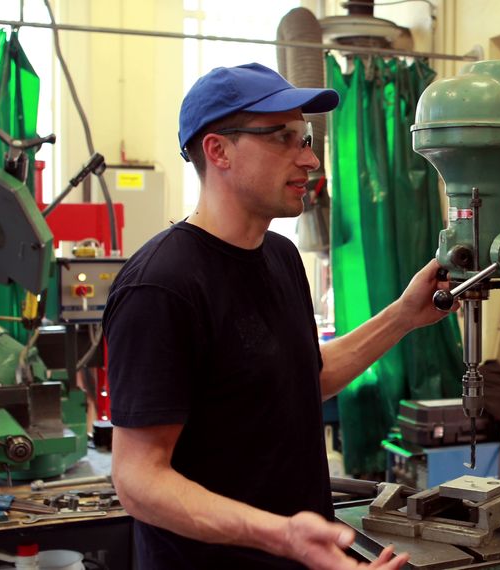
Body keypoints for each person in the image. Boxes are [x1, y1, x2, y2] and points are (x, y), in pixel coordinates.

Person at [103, 63, 447, 569]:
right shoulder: (161, 286)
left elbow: (305, 376)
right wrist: (281, 535)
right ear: (218, 150)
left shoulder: (281, 258)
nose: (310, 159)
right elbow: (138, 480)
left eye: (306, 138)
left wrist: (403, 315)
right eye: (284, 138)